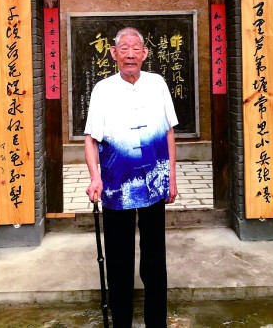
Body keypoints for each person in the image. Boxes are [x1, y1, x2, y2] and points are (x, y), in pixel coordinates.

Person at [84, 27, 178, 328]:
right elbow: (90, 139)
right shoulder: (102, 90)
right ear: (114, 53)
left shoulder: (158, 84)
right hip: (116, 185)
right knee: (118, 258)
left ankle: (156, 323)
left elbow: (169, 132)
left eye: (136, 48)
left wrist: (171, 177)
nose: (130, 54)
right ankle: (121, 322)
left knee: (154, 258)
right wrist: (95, 177)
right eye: (123, 48)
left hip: (154, 182)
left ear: (145, 53)